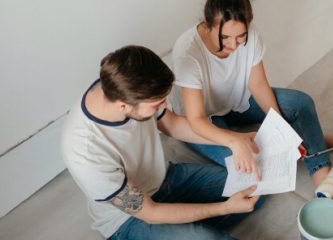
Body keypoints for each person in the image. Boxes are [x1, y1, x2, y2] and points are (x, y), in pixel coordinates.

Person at [168, 0, 333, 213]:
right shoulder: (187, 51)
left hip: (239, 101)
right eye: (225, 37)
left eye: (240, 37)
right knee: (253, 166)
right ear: (207, 24)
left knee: (301, 104)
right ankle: (312, 137)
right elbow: (196, 120)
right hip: (203, 120)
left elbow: (258, 84)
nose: (233, 45)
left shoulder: (251, 35)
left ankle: (326, 185)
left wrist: (282, 130)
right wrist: (235, 142)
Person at [61, 45, 263, 240]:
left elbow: (173, 125)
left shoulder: (126, 86)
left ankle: (185, 225)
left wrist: (233, 139)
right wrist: (225, 208)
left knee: (254, 188)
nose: (165, 105)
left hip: (166, 178)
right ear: (124, 105)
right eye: (157, 104)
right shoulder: (85, 151)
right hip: (128, 219)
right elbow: (149, 212)